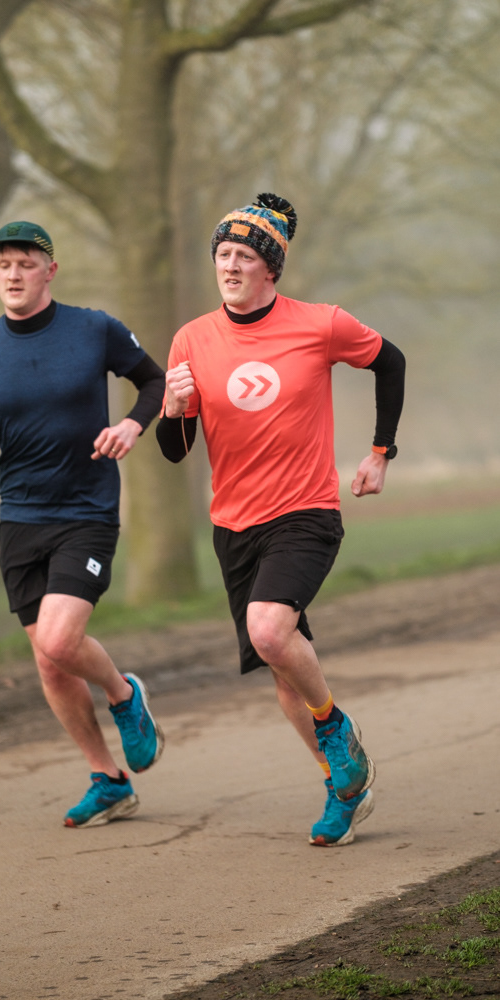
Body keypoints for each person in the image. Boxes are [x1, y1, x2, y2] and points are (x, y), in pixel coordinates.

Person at [156, 194, 405, 847]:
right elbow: (175, 450)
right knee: (283, 665)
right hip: (234, 524)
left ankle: (335, 728)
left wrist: (380, 452)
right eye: (222, 254)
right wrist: (173, 409)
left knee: (269, 630)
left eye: (243, 255)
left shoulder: (320, 324)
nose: (229, 265)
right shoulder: (191, 339)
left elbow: (390, 361)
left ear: (270, 267)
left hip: (306, 510)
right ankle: (344, 788)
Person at [0, 220, 166, 829]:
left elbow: (153, 381)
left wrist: (132, 425)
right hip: (19, 517)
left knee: (59, 641)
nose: (13, 274)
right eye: (3, 265)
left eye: (25, 263)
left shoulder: (93, 329)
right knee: (48, 662)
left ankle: (124, 694)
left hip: (86, 511)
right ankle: (108, 780)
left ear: (50, 270)